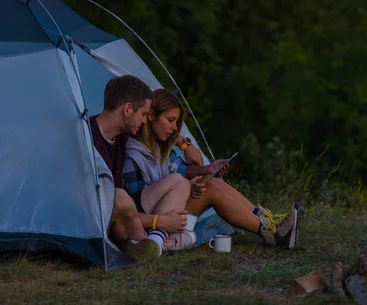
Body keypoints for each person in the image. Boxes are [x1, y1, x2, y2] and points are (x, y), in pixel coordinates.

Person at [123, 88, 302, 249]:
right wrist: (185, 188)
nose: (175, 128)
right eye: (170, 120)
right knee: (211, 191)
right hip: (152, 224)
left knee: (212, 181)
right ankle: (272, 234)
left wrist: (207, 169)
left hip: (166, 208)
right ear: (151, 115)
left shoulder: (158, 147)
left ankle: (266, 220)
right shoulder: (133, 155)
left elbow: (180, 170)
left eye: (176, 122)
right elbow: (138, 204)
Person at [91, 75, 194, 260]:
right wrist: (161, 221)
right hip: (92, 216)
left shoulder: (122, 137)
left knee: (180, 182)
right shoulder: (86, 136)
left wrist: (185, 144)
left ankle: (151, 244)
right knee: (119, 196)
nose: (146, 121)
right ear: (128, 109)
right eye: (144, 114)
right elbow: (97, 203)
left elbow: (162, 130)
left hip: (121, 216)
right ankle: (146, 244)